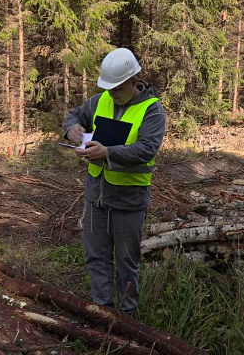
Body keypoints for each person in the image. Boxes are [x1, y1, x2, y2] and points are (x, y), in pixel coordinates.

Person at [62, 48, 166, 314]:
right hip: (96, 195)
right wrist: (71, 127)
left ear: (134, 81)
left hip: (130, 200)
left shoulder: (152, 110)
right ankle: (104, 312)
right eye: (108, 88)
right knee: (96, 256)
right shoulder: (100, 101)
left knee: (126, 261)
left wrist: (107, 153)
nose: (112, 93)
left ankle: (127, 319)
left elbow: (146, 150)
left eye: (117, 88)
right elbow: (75, 114)